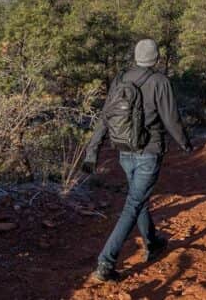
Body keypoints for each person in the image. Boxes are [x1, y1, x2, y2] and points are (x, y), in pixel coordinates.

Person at [83, 38, 193, 283]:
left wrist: (92, 150)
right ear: (156, 58)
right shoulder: (160, 81)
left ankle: (152, 243)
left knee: (138, 198)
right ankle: (105, 263)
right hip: (149, 152)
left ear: (135, 56)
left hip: (124, 151)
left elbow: (105, 116)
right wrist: (184, 143)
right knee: (133, 204)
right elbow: (171, 118)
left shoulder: (121, 79)